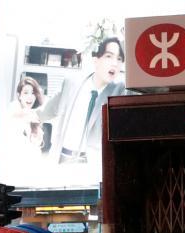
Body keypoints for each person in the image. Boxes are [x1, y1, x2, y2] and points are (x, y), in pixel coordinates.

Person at [37, 37, 126, 166]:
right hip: (63, 158)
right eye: (109, 56)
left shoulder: (120, 90)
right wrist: (28, 117)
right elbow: (47, 111)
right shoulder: (72, 83)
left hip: (94, 165)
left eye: (119, 59)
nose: (115, 64)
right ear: (95, 60)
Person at [7, 76, 45, 155]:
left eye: (33, 93)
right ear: (19, 95)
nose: (30, 97)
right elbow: (16, 114)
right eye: (26, 93)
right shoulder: (14, 107)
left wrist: (39, 140)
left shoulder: (33, 113)